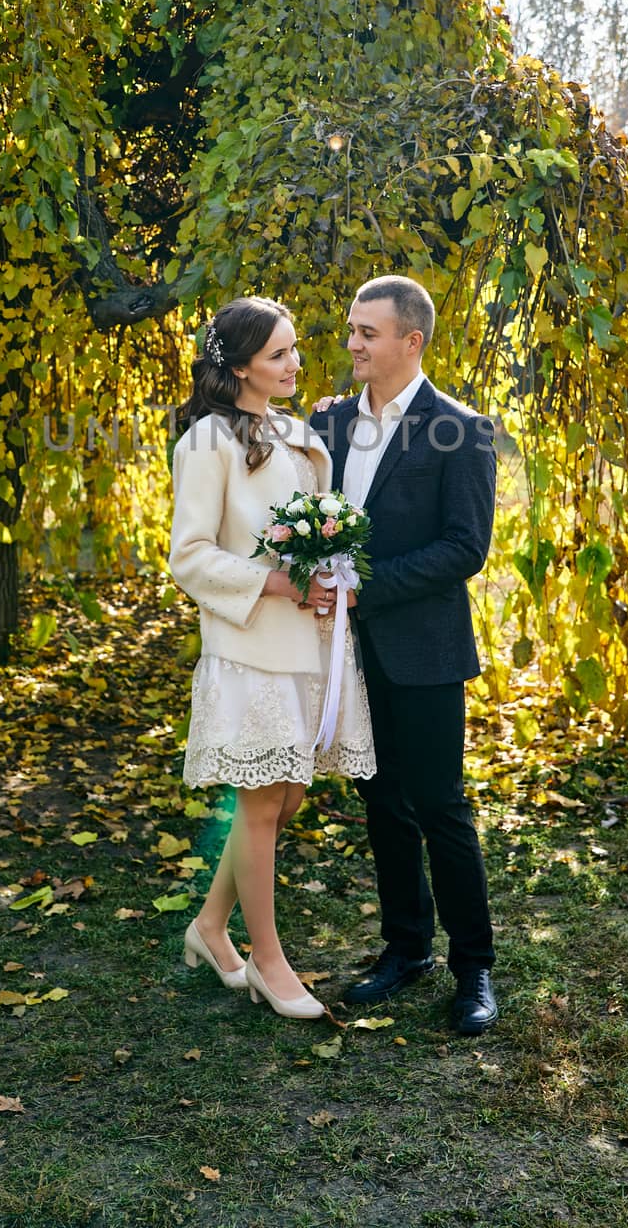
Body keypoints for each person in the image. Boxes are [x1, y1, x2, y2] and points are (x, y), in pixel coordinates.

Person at [169, 296, 376, 1021]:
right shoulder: (206, 442)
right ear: (242, 365)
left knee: (284, 798)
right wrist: (277, 581)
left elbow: (320, 530)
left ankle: (209, 925)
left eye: (295, 349)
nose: (295, 363)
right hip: (251, 643)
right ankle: (269, 961)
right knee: (262, 803)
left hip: (309, 644)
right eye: (280, 353)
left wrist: (325, 582)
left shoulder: (295, 431)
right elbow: (190, 555)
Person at [309, 275, 499, 1034]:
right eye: (351, 330)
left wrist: (365, 591)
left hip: (423, 647)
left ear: (411, 341)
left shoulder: (461, 428)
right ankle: (405, 947)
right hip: (345, 653)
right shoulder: (325, 425)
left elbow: (465, 548)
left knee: (439, 805)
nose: (352, 343)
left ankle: (475, 968)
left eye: (367, 333)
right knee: (379, 802)